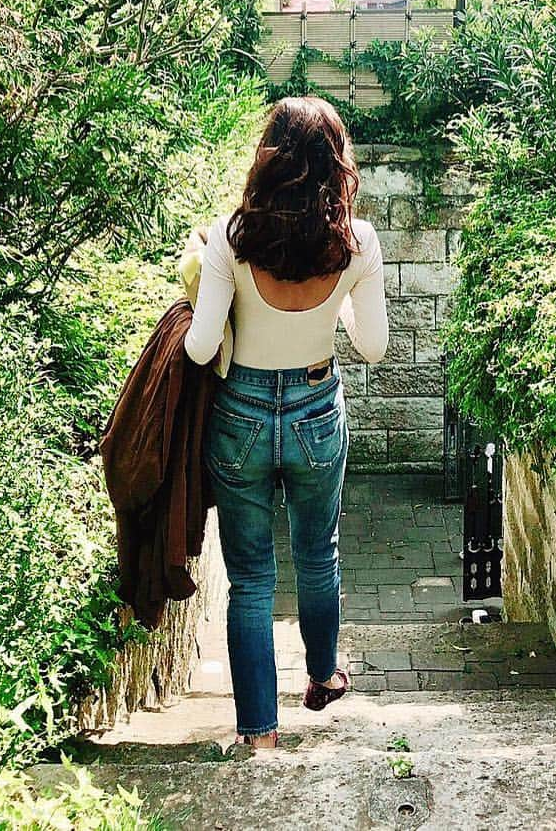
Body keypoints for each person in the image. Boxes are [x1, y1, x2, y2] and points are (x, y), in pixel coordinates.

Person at [184, 96, 389, 748]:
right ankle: (324, 675)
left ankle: (258, 735)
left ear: (267, 160)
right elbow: (375, 346)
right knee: (317, 553)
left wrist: (199, 280)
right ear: (337, 165)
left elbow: (198, 346)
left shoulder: (230, 237)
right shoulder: (356, 243)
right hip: (315, 410)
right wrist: (342, 315)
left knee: (249, 577)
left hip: (239, 414)